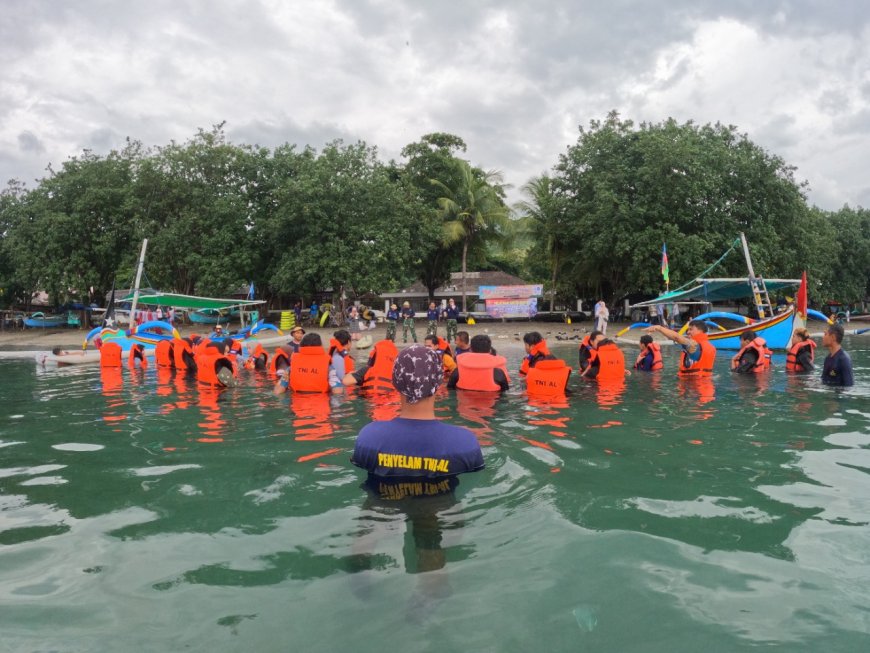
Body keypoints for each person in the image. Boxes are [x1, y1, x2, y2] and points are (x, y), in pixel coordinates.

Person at [351, 345, 485, 478]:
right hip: (443, 500)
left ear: (396, 382)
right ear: (438, 382)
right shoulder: (465, 442)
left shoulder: (369, 437)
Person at [647, 320, 716, 376]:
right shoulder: (711, 347)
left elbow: (676, 337)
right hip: (705, 387)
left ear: (700, 330)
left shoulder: (694, 345)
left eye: (691, 329)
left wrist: (659, 328)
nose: (688, 332)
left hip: (694, 388)